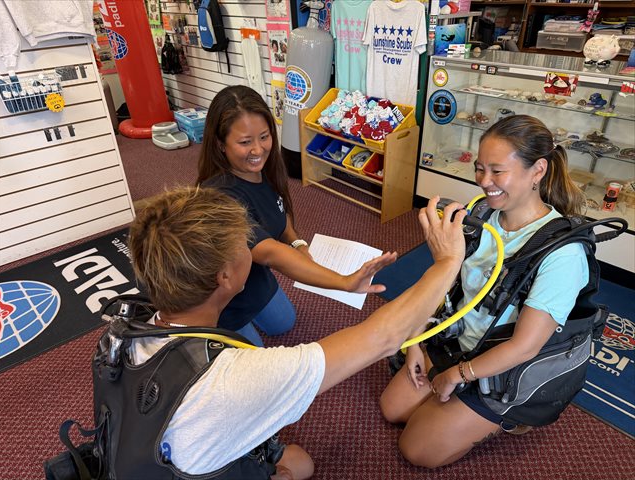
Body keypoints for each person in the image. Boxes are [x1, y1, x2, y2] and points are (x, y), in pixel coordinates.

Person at [124, 186, 466, 478]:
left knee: (294, 459)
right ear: (224, 277)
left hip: (147, 453)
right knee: (300, 465)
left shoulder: (128, 330)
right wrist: (447, 262)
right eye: (246, 243)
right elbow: (384, 336)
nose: (252, 246)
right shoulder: (237, 377)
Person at [380, 114, 589, 468]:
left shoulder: (562, 253)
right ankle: (453, 405)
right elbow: (446, 287)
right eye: (479, 168)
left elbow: (525, 346)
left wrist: (458, 375)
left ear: (537, 170)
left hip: (502, 367)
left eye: (497, 171)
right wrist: (416, 340)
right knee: (392, 409)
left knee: (416, 449)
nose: (484, 181)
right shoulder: (481, 214)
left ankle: (509, 418)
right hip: (459, 341)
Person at [197, 85, 393, 346]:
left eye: (264, 137)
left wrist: (297, 242)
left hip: (255, 276)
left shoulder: (264, 170)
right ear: (221, 145)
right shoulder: (218, 196)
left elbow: (278, 211)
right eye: (245, 142)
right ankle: (215, 326)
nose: (258, 150)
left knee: (285, 323)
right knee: (256, 359)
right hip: (225, 297)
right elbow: (269, 253)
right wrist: (344, 282)